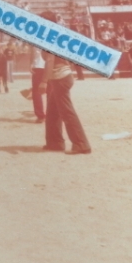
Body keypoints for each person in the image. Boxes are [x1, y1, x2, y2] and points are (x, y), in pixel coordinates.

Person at [38, 11, 91, 155]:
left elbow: (50, 60)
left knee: (67, 112)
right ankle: (55, 143)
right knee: (53, 113)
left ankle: (81, 144)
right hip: (61, 76)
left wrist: (43, 82)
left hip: (60, 78)